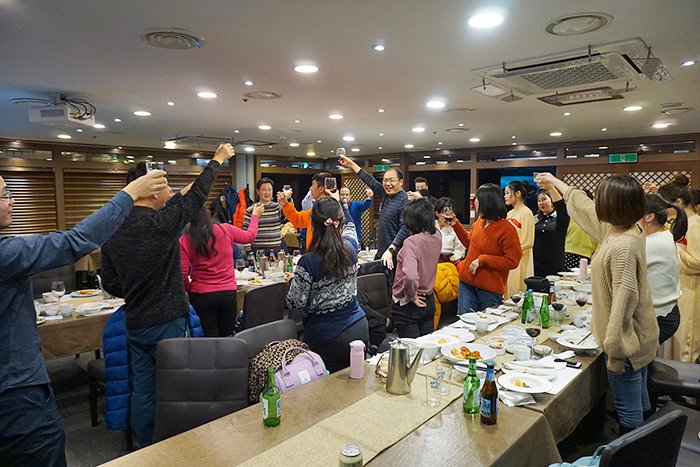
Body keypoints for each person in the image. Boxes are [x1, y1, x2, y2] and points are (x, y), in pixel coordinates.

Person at [0, 170, 167, 466]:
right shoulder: (6, 253)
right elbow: (75, 241)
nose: (12, 200)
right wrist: (129, 194)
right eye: (4, 194)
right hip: (17, 394)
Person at [101, 144, 235, 447]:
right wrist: (217, 159)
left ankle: (146, 446)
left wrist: (136, 289)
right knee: (178, 386)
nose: (171, 191)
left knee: (143, 389)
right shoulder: (160, 225)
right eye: (166, 185)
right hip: (169, 321)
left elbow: (110, 281)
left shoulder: (113, 229)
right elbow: (195, 197)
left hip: (136, 322)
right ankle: (179, 445)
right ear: (151, 190)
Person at [536, 172, 658, 433]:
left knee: (630, 417)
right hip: (638, 338)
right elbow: (583, 206)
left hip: (627, 345)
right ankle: (652, 442)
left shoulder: (623, 246)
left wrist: (615, 352)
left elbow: (624, 301)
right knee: (642, 405)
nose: (596, 204)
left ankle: (636, 450)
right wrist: (555, 182)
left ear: (610, 205)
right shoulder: (624, 230)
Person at [286, 195, 369, 373]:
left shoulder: (308, 261)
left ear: (312, 224)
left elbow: (295, 302)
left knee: (330, 388)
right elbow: (350, 227)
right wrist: (343, 206)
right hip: (359, 326)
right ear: (339, 222)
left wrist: (294, 280)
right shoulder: (351, 248)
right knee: (357, 382)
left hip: (327, 336)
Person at [180, 203, 263, 337]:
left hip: (201, 294)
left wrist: (190, 287)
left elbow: (183, 274)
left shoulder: (185, 240)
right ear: (208, 214)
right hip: (227, 293)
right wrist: (255, 216)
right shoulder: (226, 229)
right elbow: (250, 236)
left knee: (208, 337)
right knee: (227, 336)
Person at [452, 183, 522, 314]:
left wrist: (483, 260)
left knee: (488, 323)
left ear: (486, 202)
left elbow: (512, 261)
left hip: (489, 288)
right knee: (464, 321)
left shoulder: (507, 229)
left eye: (477, 199)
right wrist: (455, 224)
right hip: (467, 283)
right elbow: (469, 243)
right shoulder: (479, 222)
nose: (474, 202)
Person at [338, 155, 410, 270]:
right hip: (381, 253)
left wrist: (391, 249)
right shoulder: (385, 194)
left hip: (393, 256)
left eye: (391, 180)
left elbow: (405, 228)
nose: (387, 183)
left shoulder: (404, 200)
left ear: (401, 182)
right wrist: (351, 164)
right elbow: (369, 180)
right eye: (385, 180)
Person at [658, 182, 700, 363]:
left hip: (691, 287)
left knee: (686, 339)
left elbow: (697, 262)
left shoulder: (695, 224)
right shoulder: (682, 222)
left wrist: (675, 248)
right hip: (678, 285)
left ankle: (684, 377)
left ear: (678, 202)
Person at [391, 198, 442, 337]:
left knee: (411, 348)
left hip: (409, 304)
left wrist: (411, 296)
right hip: (429, 300)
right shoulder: (437, 236)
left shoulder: (411, 242)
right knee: (427, 346)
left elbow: (411, 276)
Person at [640, 193, 687, 344]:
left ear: (649, 217)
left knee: (635, 357)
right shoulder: (665, 235)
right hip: (668, 311)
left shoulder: (652, 243)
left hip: (659, 316)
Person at [277, 172, 332, 251]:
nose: (310, 188)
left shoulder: (336, 210)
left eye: (313, 185)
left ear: (321, 189)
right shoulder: (315, 210)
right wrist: (285, 204)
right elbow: (298, 219)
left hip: (328, 253)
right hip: (313, 252)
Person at [504, 181, 535, 297]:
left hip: (521, 259)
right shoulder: (510, 213)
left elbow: (529, 242)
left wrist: (511, 251)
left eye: (507, 193)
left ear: (517, 193)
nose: (505, 196)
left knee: (517, 292)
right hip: (509, 258)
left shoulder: (526, 213)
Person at [533, 188, 570, 276]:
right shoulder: (536, 219)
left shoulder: (560, 219)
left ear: (553, 200)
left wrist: (550, 187)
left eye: (544, 199)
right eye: (539, 200)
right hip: (536, 263)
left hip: (554, 262)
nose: (541, 203)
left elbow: (561, 207)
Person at [243, 177, 282, 253]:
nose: (267, 193)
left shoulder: (277, 207)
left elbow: (289, 215)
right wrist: (248, 252)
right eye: (264, 190)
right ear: (258, 191)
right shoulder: (251, 210)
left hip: (276, 249)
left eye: (269, 190)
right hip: (257, 250)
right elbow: (245, 232)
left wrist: (288, 200)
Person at [434, 197, 465, 263]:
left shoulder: (455, 229)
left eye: (450, 215)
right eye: (445, 215)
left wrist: (452, 259)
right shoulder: (431, 226)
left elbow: (460, 249)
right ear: (437, 213)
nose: (447, 218)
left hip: (449, 262)